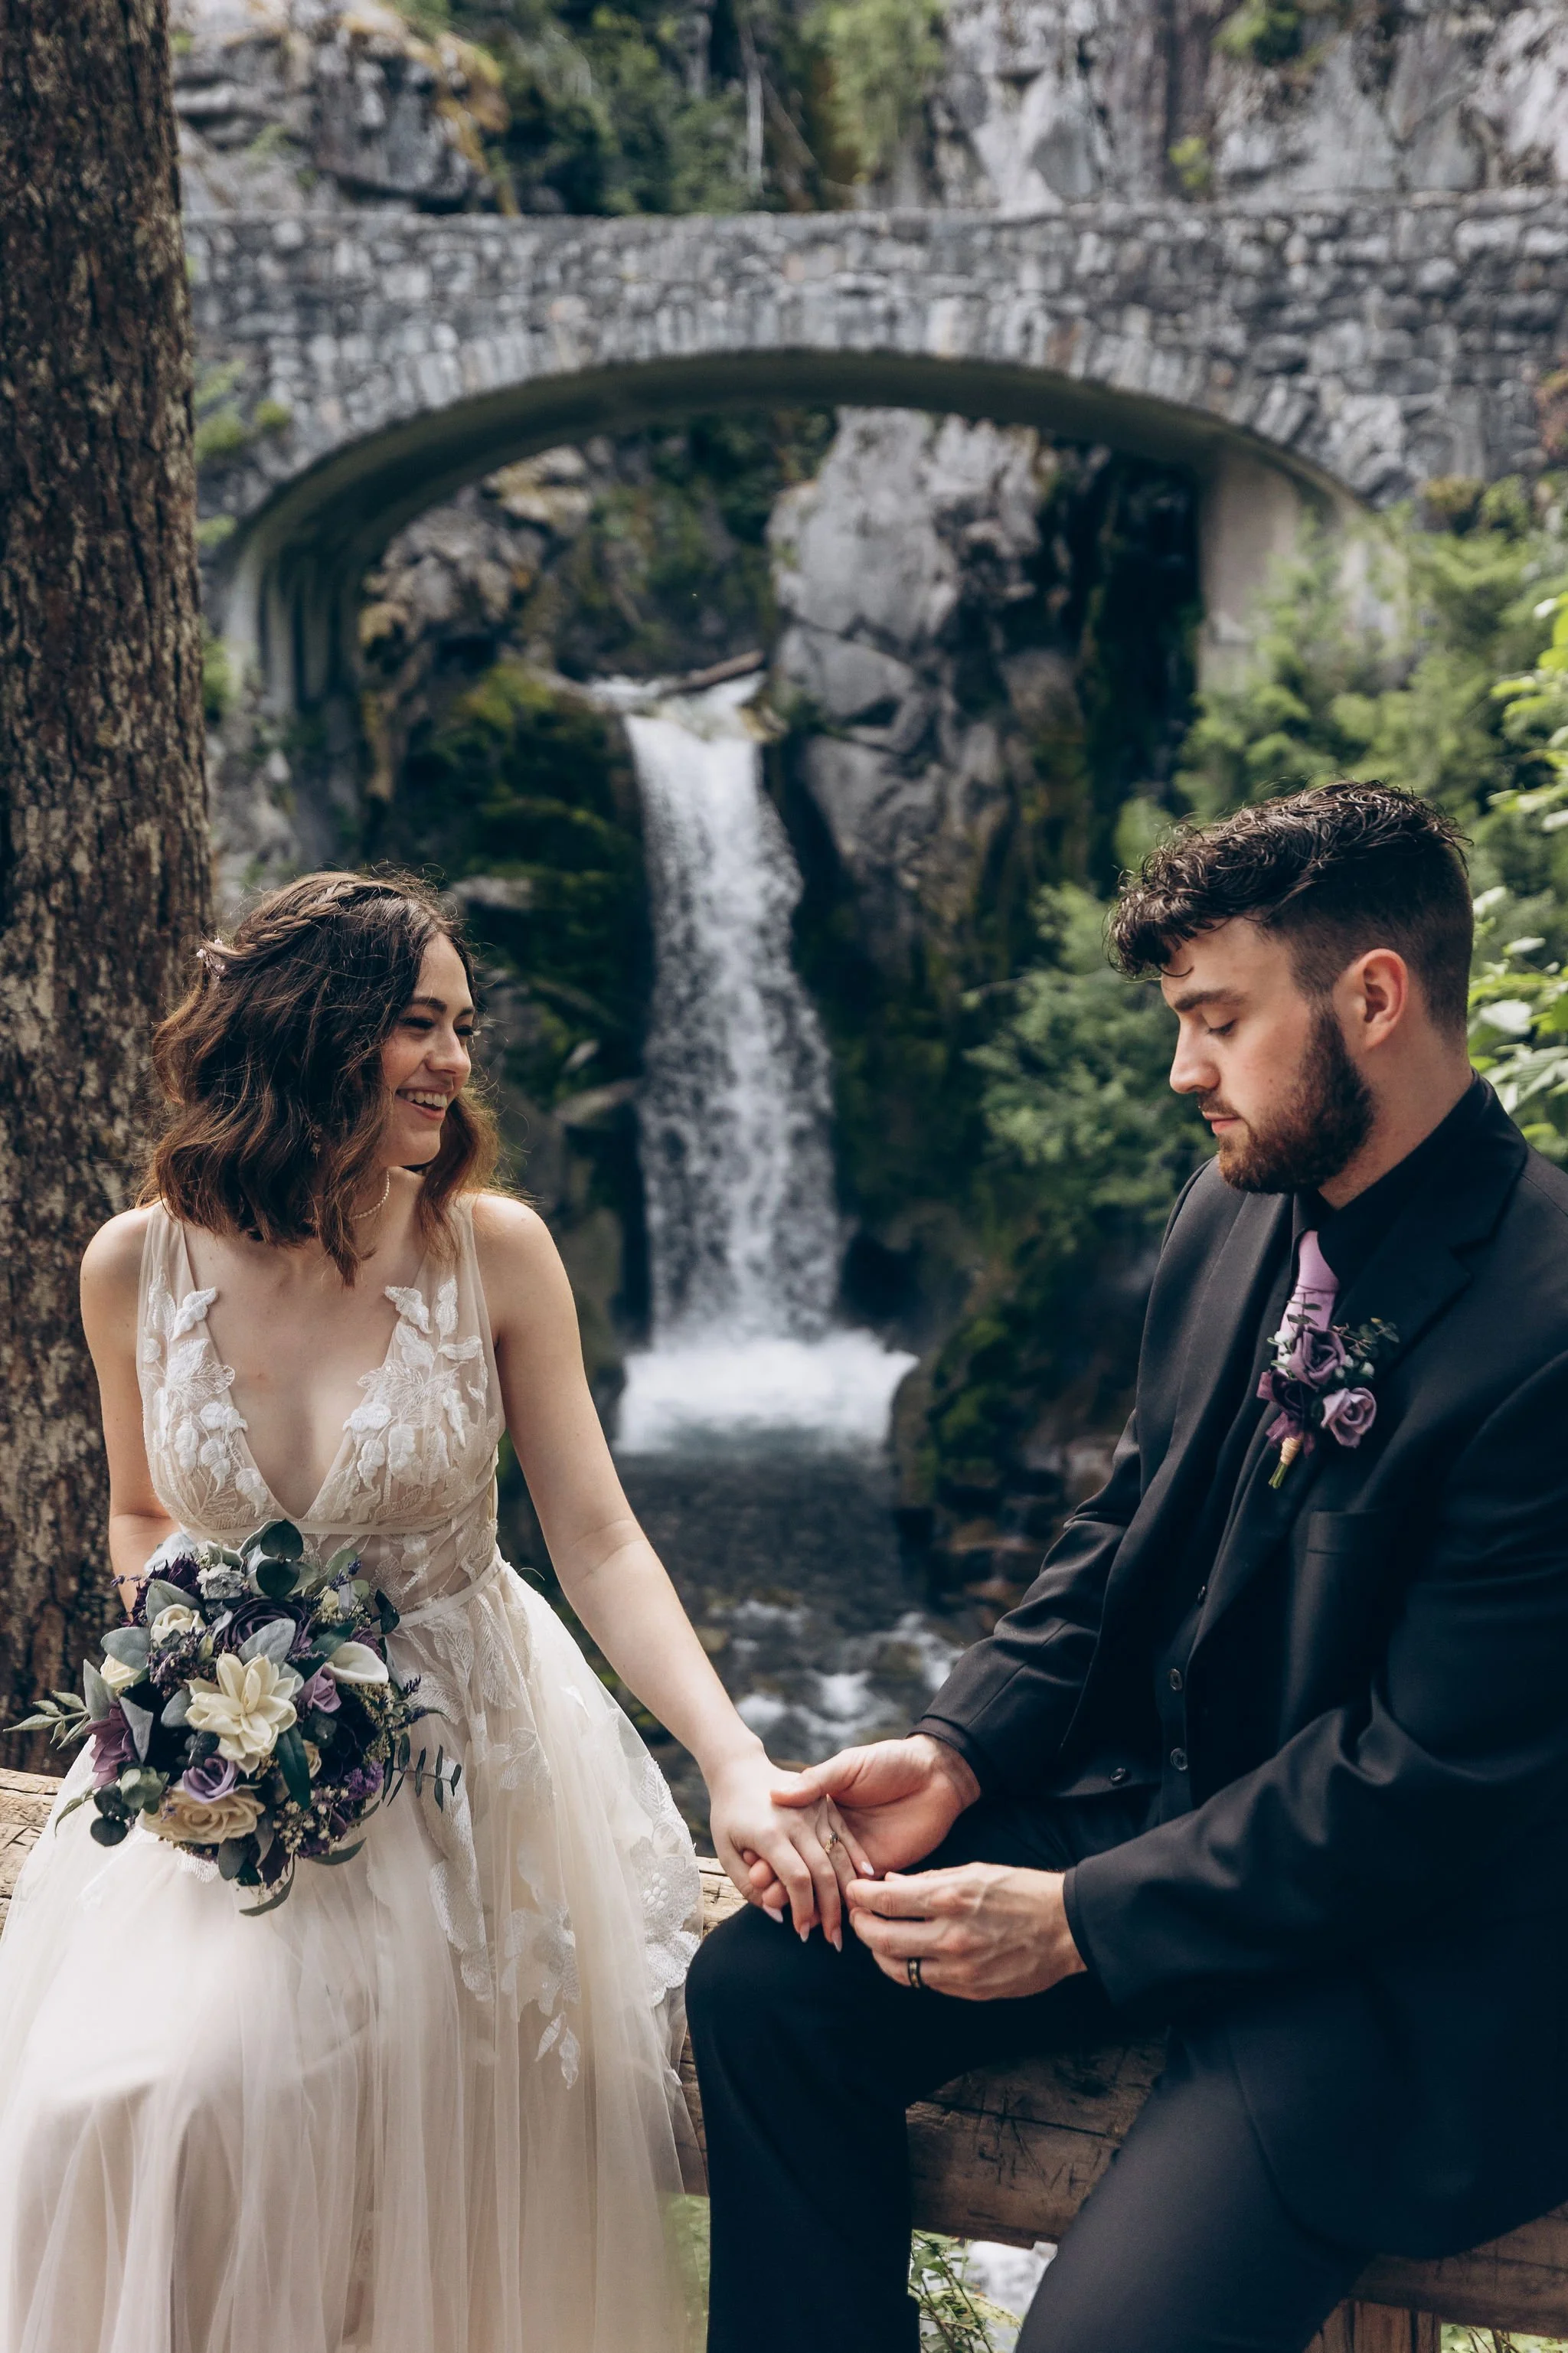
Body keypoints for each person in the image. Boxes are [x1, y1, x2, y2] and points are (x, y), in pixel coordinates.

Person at [691, 780, 1568, 2353]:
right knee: (770, 1990)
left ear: (1371, 999)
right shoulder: (1232, 1209)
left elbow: (1427, 1776)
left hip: (1386, 1960)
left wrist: (1083, 1914)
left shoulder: (1550, 1320)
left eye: (1217, 1022)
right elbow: (1130, 1524)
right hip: (1161, 1819)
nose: (1183, 1072)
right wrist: (962, 1750)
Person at [0, 871, 859, 2353]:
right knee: (111, 2109)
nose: (457, 1062)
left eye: (463, 1025)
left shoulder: (493, 1249)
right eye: (417, 1023)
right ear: (304, 1030)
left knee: (336, 2154)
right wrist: (194, 1666)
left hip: (464, 1775)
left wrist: (730, 1758)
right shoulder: (132, 1264)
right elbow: (144, 1515)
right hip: (218, 1775)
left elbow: (597, 1542)